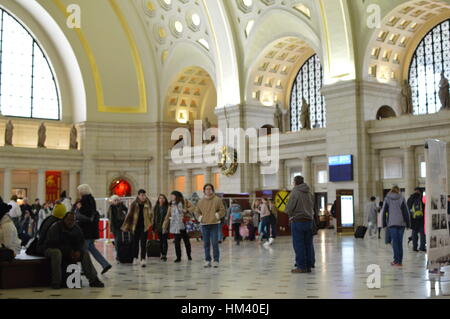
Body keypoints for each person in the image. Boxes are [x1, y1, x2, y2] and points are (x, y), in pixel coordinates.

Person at [44, 211, 104, 289]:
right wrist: (69, 251)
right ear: (64, 219)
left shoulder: (77, 228)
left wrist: (78, 251)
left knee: (85, 254)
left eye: (73, 220)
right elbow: (53, 243)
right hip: (51, 249)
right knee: (57, 253)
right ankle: (56, 282)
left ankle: (93, 280)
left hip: (70, 251)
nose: (71, 222)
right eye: (69, 219)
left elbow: (81, 242)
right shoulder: (55, 227)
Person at [76, 184, 112, 274]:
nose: (78, 192)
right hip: (91, 230)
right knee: (91, 248)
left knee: (84, 250)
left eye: (79, 190)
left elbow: (85, 213)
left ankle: (86, 269)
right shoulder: (91, 199)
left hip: (86, 230)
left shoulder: (85, 200)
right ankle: (105, 264)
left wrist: (79, 208)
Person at [285, 175, 315, 274]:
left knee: (299, 244)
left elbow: (289, 208)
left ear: (295, 182)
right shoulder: (309, 193)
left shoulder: (295, 192)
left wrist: (290, 213)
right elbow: (312, 205)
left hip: (298, 221)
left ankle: (301, 266)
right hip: (309, 221)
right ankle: (309, 265)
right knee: (308, 244)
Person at [194, 184, 225, 268]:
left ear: (212, 190)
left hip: (214, 224)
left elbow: (222, 210)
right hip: (204, 225)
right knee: (206, 243)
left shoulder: (217, 200)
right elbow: (196, 211)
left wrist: (217, 215)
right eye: (207, 189)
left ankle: (216, 260)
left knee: (215, 243)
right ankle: (207, 260)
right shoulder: (200, 201)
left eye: (210, 189)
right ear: (204, 191)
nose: (208, 190)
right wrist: (200, 218)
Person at [121, 189, 153, 267]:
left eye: (144, 195)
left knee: (143, 243)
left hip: (144, 226)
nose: (143, 197)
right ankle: (135, 257)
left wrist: (150, 223)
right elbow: (129, 215)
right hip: (135, 226)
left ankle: (143, 259)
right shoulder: (134, 204)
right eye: (141, 195)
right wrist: (125, 226)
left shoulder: (148, 203)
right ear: (138, 195)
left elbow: (151, 214)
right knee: (135, 243)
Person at [382, 186, 411, 267]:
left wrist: (384, 223)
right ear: (398, 191)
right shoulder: (401, 198)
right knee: (400, 243)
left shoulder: (387, 198)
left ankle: (396, 260)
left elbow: (384, 211)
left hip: (392, 223)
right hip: (401, 223)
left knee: (395, 242)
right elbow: (406, 212)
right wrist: (408, 224)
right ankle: (399, 262)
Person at [162, 191, 192, 263]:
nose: (171, 197)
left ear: (177, 196)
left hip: (183, 225)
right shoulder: (171, 205)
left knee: (186, 241)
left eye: (173, 195)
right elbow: (167, 216)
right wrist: (164, 227)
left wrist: (186, 211)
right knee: (177, 242)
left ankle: (189, 255)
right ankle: (178, 257)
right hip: (175, 225)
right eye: (171, 196)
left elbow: (193, 208)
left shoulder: (184, 202)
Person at [107, 195, 128, 262]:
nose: (116, 201)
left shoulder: (121, 206)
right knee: (117, 241)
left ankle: (119, 255)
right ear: (112, 201)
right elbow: (109, 217)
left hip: (121, 226)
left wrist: (121, 205)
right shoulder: (111, 207)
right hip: (114, 227)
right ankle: (118, 255)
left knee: (119, 241)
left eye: (117, 200)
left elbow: (127, 211)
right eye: (114, 200)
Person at [407, 188, 426, 252]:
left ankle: (414, 247)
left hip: (413, 219)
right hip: (421, 219)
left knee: (414, 233)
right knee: (422, 234)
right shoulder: (422, 198)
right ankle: (422, 247)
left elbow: (408, 208)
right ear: (420, 192)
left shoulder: (410, 198)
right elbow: (425, 207)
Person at [153, 194, 169, 262]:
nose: (161, 199)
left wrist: (167, 227)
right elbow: (154, 218)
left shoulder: (167, 207)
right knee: (161, 240)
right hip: (158, 226)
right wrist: (154, 227)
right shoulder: (156, 207)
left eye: (163, 198)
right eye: (160, 198)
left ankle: (164, 255)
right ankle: (161, 253)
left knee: (164, 240)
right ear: (158, 199)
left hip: (165, 226)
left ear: (165, 199)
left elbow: (168, 218)